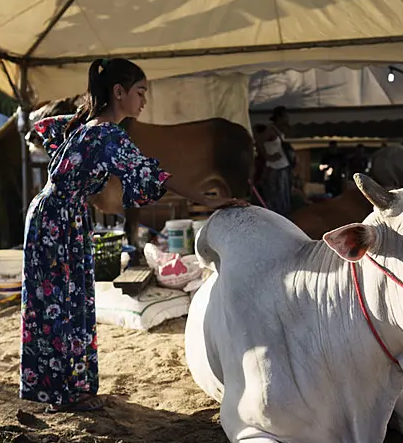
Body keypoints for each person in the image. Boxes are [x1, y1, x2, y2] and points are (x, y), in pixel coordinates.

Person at [20, 58, 243, 413]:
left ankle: (69, 390)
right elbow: (154, 175)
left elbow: (46, 128)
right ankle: (63, 395)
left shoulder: (86, 125)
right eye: (140, 92)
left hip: (58, 216)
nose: (144, 101)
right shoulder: (106, 133)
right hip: (58, 220)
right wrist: (205, 198)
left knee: (68, 301)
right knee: (59, 304)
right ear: (118, 92)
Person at [256, 106, 293, 215]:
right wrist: (267, 156)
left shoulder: (278, 131)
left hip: (282, 167)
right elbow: (259, 142)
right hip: (275, 168)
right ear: (279, 117)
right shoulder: (270, 130)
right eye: (285, 117)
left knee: (283, 196)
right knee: (277, 197)